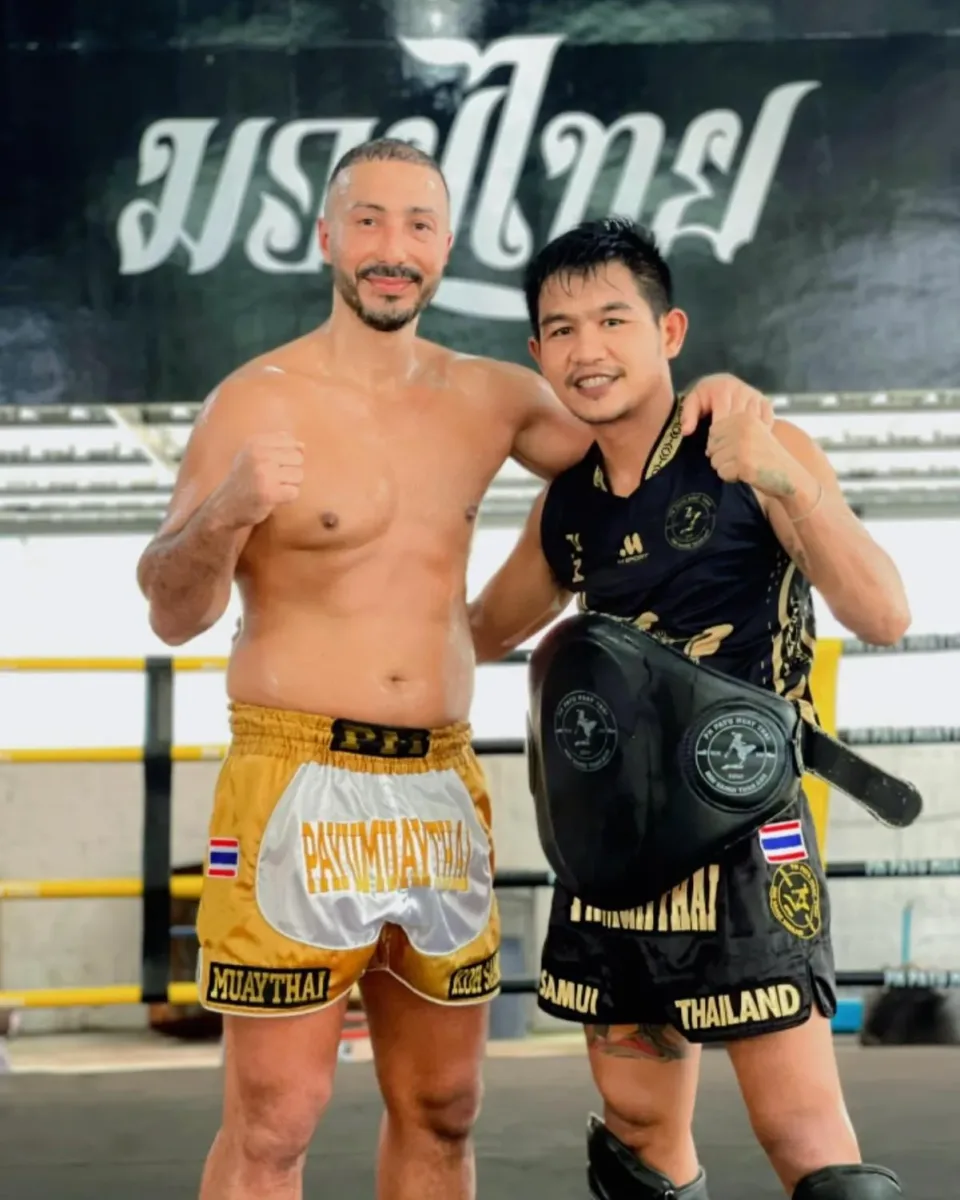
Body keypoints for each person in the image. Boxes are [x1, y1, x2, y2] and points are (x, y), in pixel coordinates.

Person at [136, 136, 782, 1200]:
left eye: (419, 226)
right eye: (372, 221)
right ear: (327, 237)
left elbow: (638, 442)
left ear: (445, 247)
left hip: (439, 782)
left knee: (443, 1110)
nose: (395, 249)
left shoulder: (493, 398)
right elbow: (171, 606)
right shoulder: (251, 402)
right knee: (275, 1121)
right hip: (293, 775)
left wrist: (726, 396)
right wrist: (230, 508)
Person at [467, 217, 912, 1199]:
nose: (589, 349)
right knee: (635, 1136)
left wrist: (781, 475)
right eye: (563, 329)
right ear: (538, 353)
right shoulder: (567, 506)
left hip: (749, 832)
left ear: (668, 332)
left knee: (800, 1132)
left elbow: (882, 611)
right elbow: (478, 631)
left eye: (612, 320)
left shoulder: (756, 445)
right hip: (617, 839)